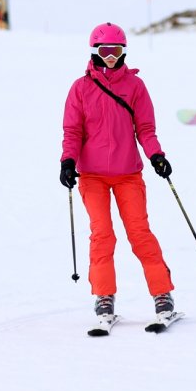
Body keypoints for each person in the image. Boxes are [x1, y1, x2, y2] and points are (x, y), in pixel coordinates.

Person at [59, 22, 175, 322]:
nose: (111, 56)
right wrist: (67, 161)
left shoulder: (135, 87)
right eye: (106, 50)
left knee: (139, 233)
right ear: (95, 51)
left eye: (117, 50)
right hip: (92, 176)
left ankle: (163, 295)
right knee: (102, 234)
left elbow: (146, 129)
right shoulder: (81, 88)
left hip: (128, 174)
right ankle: (104, 297)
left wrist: (156, 155)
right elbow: (72, 131)